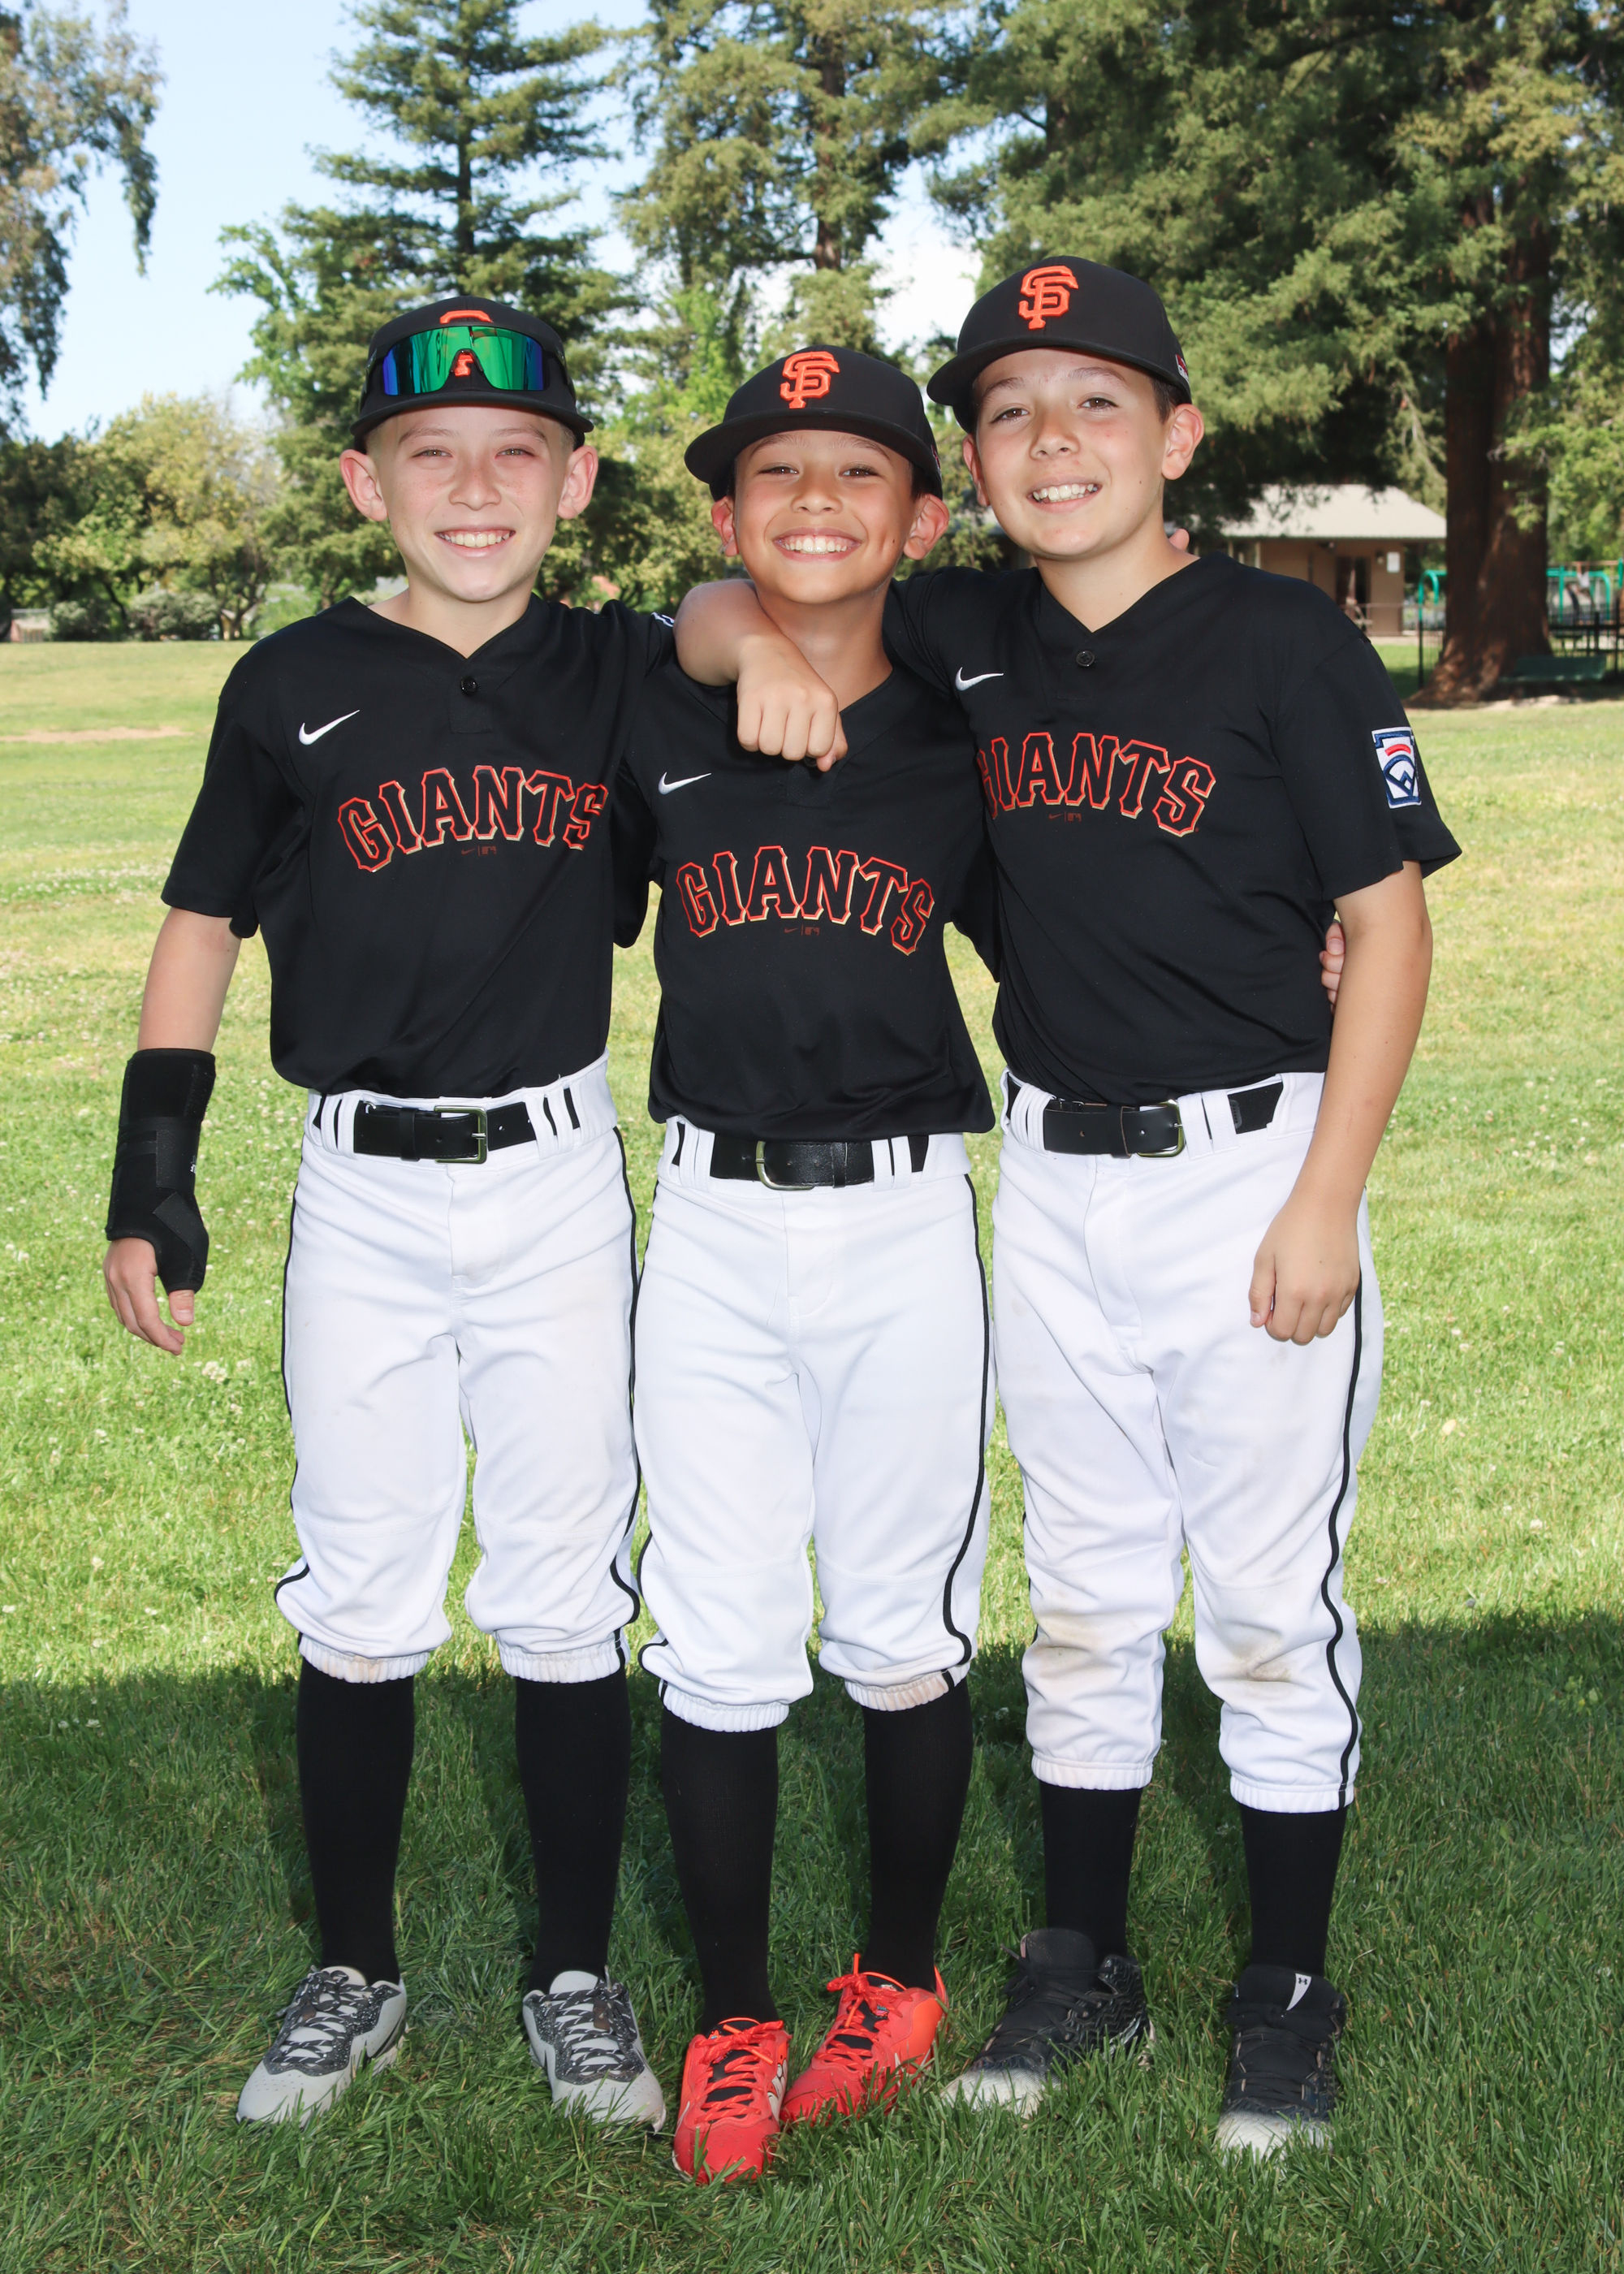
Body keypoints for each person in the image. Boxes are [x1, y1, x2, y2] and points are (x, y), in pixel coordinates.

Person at [674, 258, 1459, 2157]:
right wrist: (747, 640)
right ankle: (1080, 1956)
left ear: (1178, 435)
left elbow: (1386, 924)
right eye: (1010, 410)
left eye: (1098, 402)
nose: (1053, 440)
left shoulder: (1285, 641)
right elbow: (727, 597)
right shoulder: (964, 629)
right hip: (1046, 1171)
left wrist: (1327, 1201)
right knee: (1090, 1593)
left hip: (1251, 1168)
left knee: (1263, 1601)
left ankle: (1283, 1984)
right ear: (971, 464)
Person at [101, 296, 827, 2129]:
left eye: (519, 452)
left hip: (557, 1178)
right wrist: (152, 1175)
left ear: (576, 482)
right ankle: (353, 1968)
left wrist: (753, 634)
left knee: (564, 1584)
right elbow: (202, 921)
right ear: (367, 484)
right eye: (430, 453)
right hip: (359, 1181)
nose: (475, 486)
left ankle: (573, 1974)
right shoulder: (289, 681)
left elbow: (716, 611)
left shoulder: (616, 664)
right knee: (359, 1580)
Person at [618, 348, 1000, 2183]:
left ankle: (900, 1982)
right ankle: (731, 2019)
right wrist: (728, 638)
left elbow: (1094, 901)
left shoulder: (965, 721)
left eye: (862, 472)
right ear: (724, 515)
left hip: (905, 1214)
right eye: (777, 473)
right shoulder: (657, 697)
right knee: (716, 1631)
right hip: (709, 1217)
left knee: (902, 1627)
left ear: (920, 519)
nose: (818, 503)